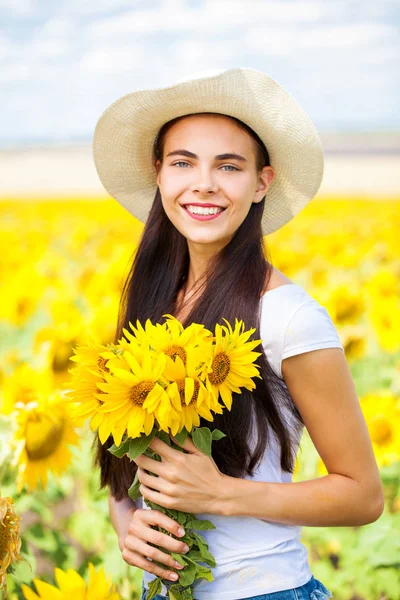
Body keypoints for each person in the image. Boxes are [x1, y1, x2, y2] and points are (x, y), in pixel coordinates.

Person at [91, 68, 384, 600]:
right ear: (159, 173)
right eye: (183, 162)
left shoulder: (288, 316)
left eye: (228, 166)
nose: (203, 183)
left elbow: (362, 497)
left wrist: (222, 495)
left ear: (261, 183)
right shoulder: (153, 299)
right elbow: (125, 461)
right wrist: (128, 526)